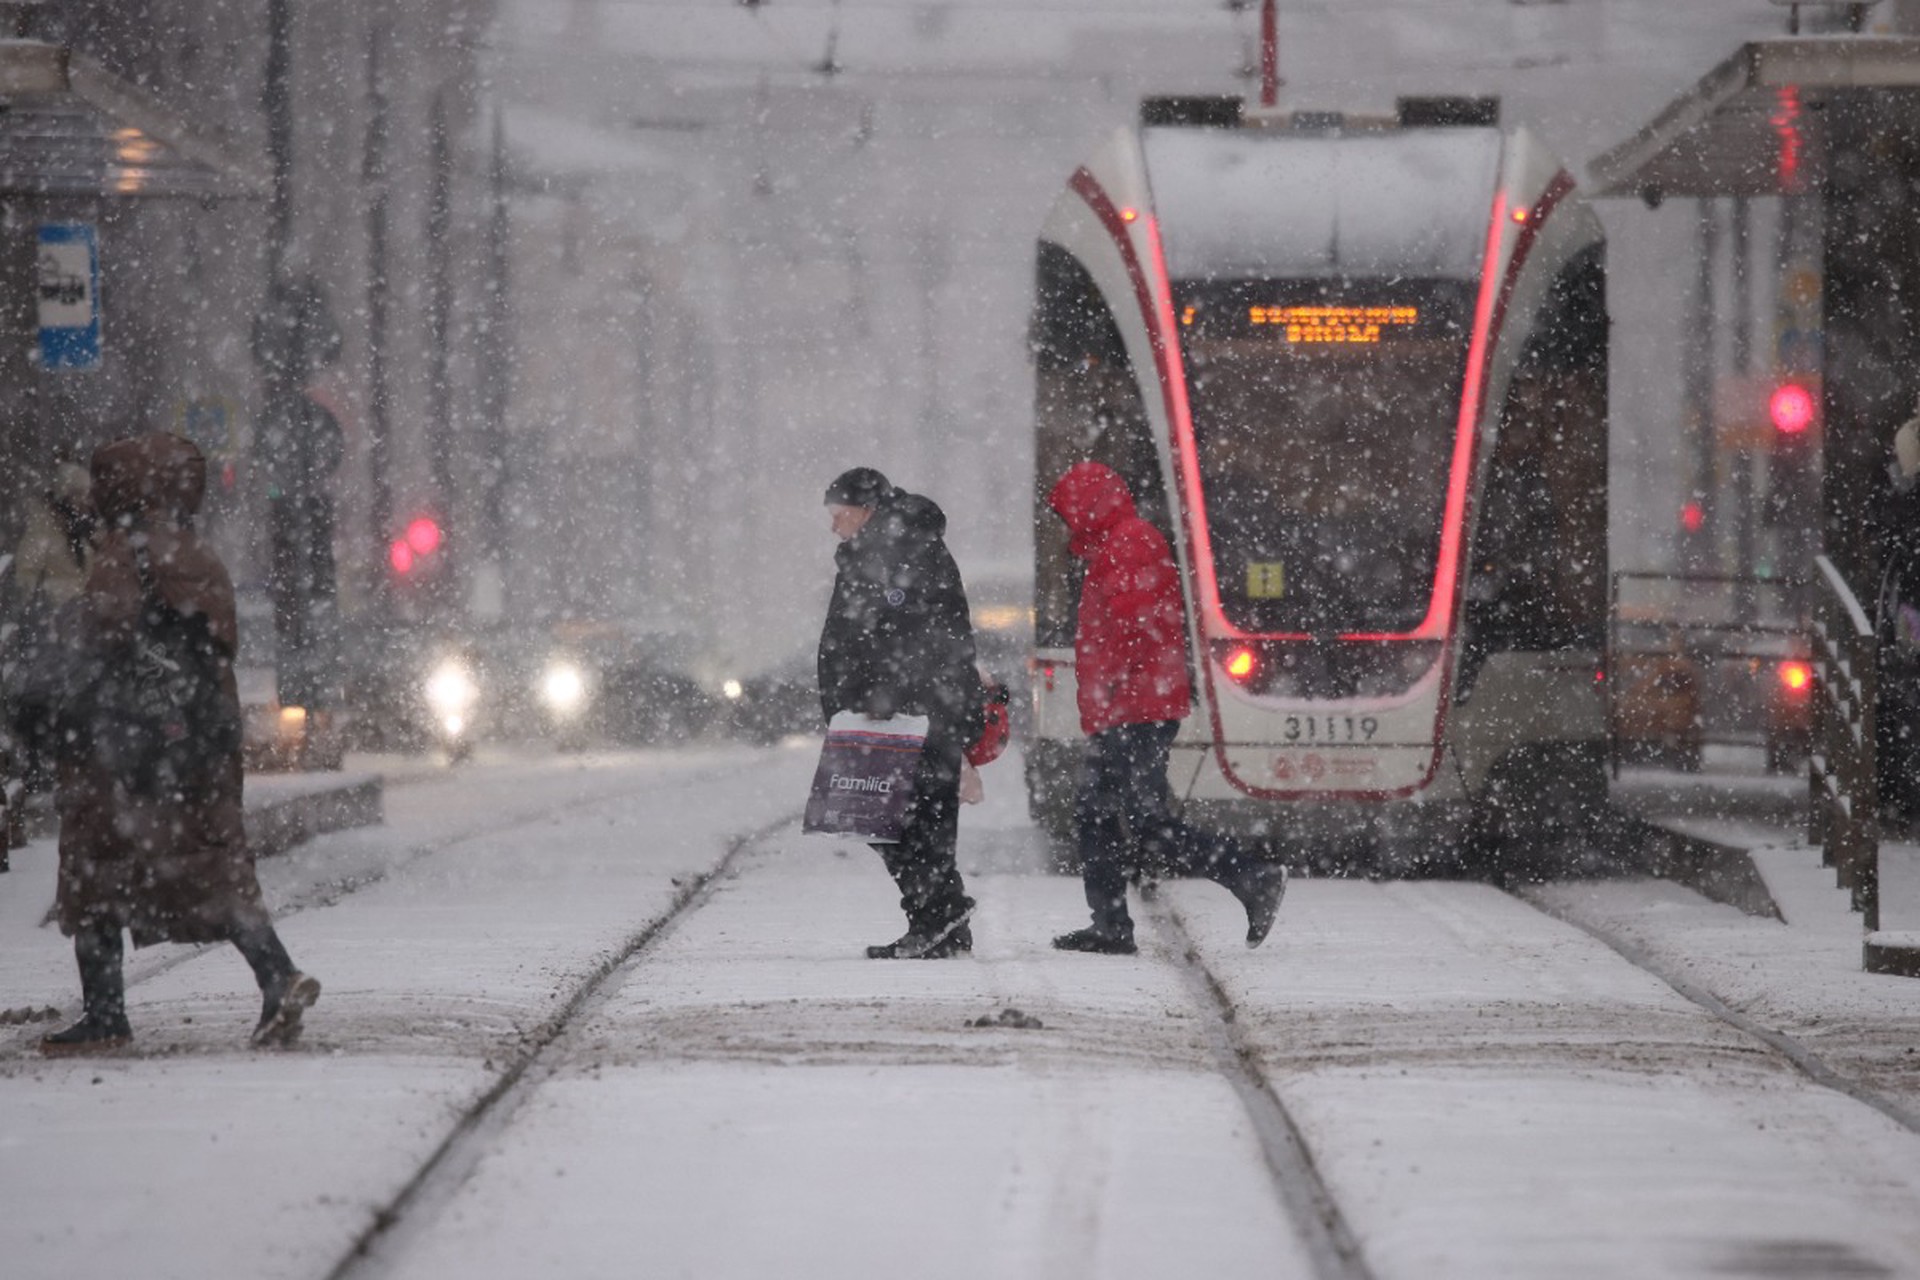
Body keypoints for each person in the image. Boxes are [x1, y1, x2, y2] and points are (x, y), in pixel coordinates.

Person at [42, 433, 320, 1054]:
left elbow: (106, 628)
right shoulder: (195, 551)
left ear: (127, 487)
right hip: (199, 738)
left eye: (104, 482)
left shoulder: (129, 550)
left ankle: (106, 1015)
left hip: (130, 746)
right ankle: (277, 975)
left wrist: (62, 626)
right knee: (212, 863)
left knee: (93, 871)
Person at [1046, 461, 1287, 955]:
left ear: (1088, 505)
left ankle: (1252, 876)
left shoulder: (1129, 542)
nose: (1067, 522)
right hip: (1128, 707)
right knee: (1099, 816)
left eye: (1070, 511)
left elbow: (1136, 625)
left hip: (1135, 709)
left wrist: (1110, 689)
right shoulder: (1115, 545)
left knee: (1141, 822)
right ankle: (1110, 924)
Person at [818, 466, 986, 959]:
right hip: (906, 709)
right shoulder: (887, 548)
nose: (833, 525)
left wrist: (882, 692)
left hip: (909, 712)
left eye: (838, 514)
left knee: (892, 820)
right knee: (908, 819)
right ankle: (943, 924)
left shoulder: (900, 551)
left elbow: (910, 634)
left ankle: (938, 913)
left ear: (865, 510)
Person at [3, 459, 94, 797]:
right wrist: (54, 599)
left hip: (83, 627)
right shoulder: (44, 529)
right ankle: (45, 765)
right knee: (45, 695)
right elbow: (27, 575)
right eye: (78, 495)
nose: (84, 501)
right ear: (65, 496)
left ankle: (74, 762)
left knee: (81, 694)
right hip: (52, 627)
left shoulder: (86, 529)